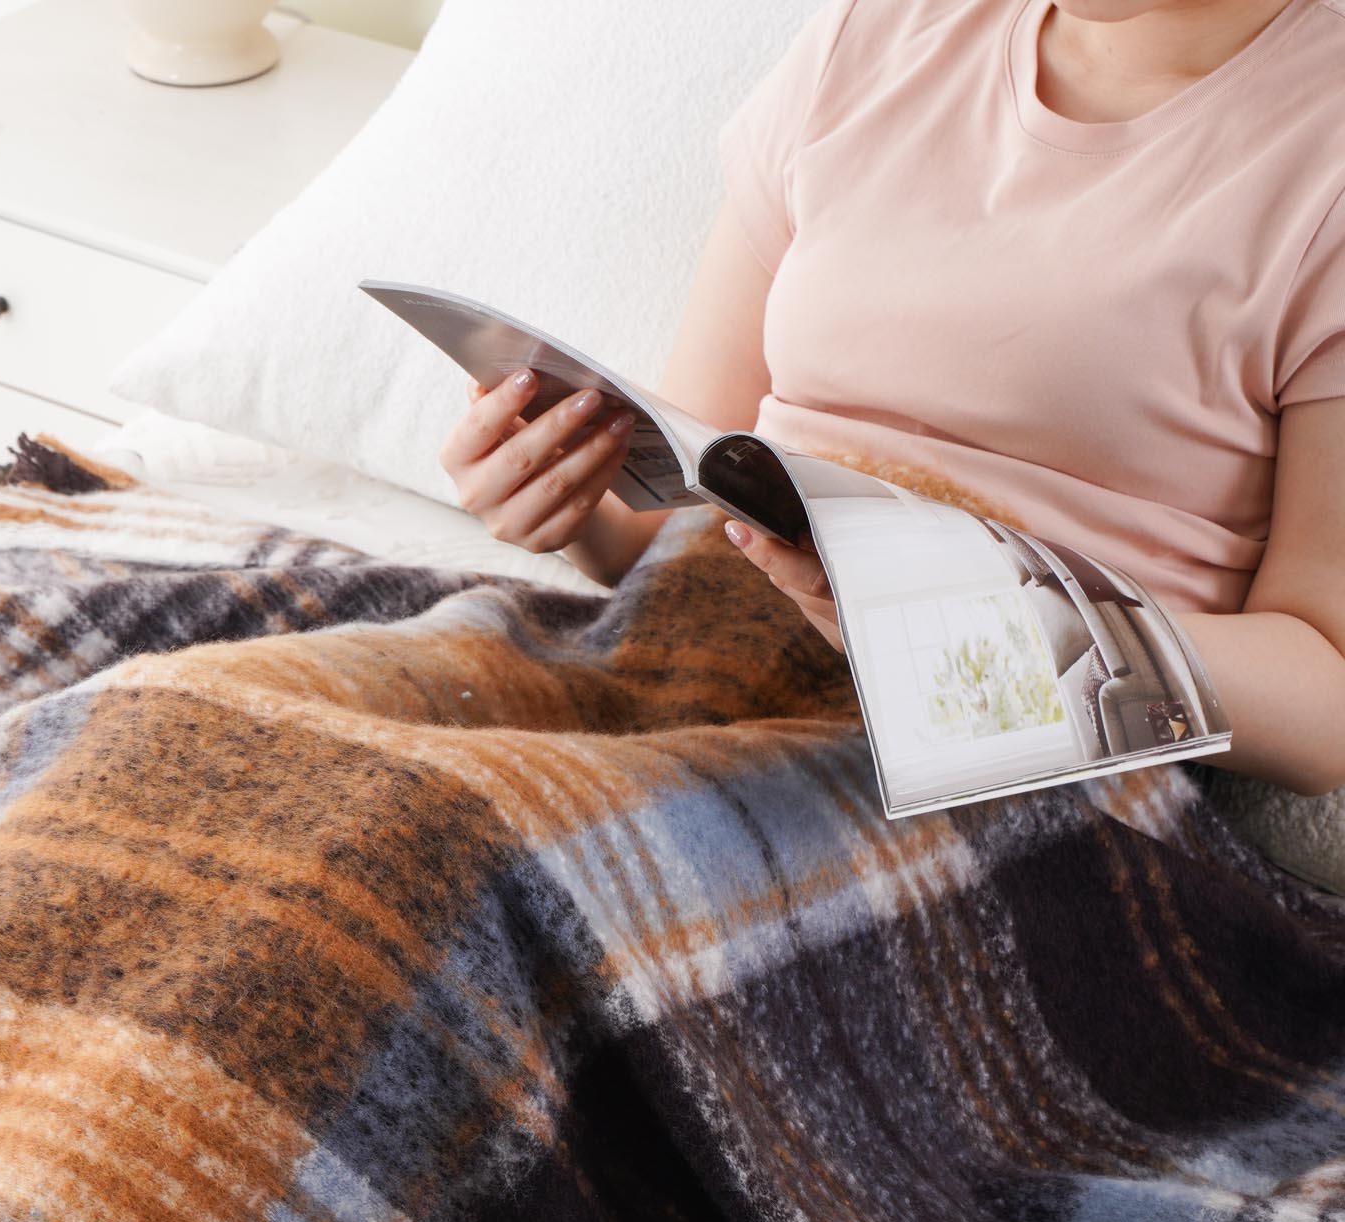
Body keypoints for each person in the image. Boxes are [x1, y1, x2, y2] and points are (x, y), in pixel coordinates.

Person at [439, 0, 1345, 796]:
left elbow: (1327, 703)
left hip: (1005, 761)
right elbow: (670, 511)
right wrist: (566, 497)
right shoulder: (874, 33)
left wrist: (1007, 628)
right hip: (687, 651)